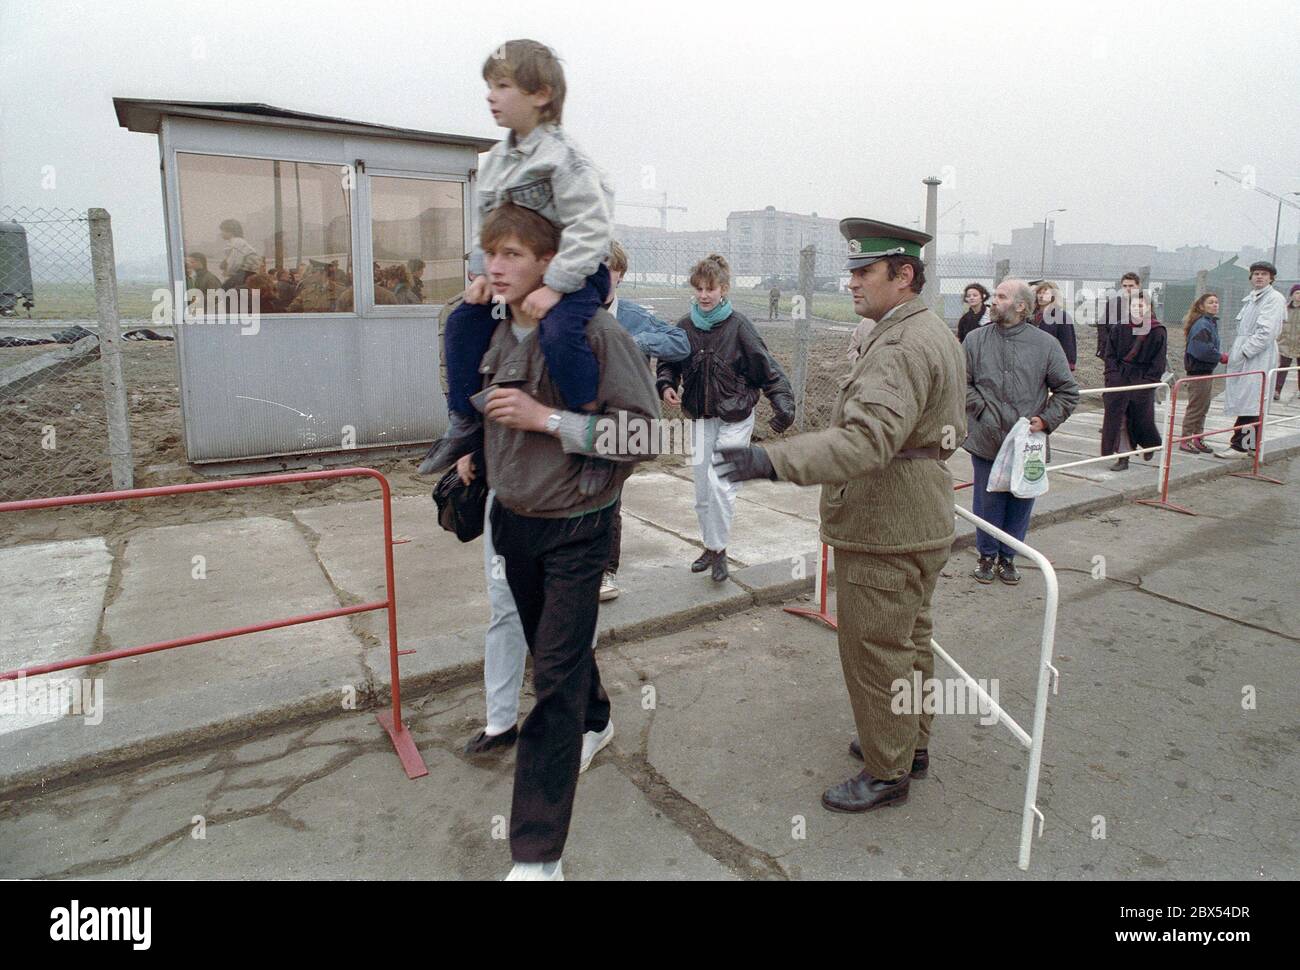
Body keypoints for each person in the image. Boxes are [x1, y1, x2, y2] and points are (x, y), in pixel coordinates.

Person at [715, 218, 966, 814]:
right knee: (911, 639)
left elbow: (864, 442)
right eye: (851, 270)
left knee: (876, 649)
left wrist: (768, 460)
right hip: (924, 514)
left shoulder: (899, 346)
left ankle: (887, 772)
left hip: (886, 522)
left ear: (903, 275)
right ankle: (910, 745)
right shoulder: (929, 331)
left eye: (864, 271)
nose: (851, 282)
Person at [468, 203, 660, 881]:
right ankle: (598, 716)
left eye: (514, 254)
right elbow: (480, 407)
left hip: (578, 527)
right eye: (491, 252)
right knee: (559, 651)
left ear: (550, 264)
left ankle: (537, 854)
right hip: (513, 523)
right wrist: (472, 454)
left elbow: (644, 437)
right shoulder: (495, 332)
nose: (496, 266)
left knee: (549, 683)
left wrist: (548, 419)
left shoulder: (597, 333)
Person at [421, 39, 615, 482]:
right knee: (461, 322)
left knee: (561, 332)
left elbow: (591, 228)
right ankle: (465, 423)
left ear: (540, 95)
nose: (491, 96)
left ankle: (587, 428)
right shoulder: (496, 163)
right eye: (489, 86)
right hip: (520, 271)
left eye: (503, 85)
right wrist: (482, 274)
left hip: (576, 272)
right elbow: (484, 224)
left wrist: (557, 285)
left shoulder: (564, 159)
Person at [655, 254, 795, 583]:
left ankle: (720, 551)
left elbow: (767, 368)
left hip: (736, 416)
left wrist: (783, 405)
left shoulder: (739, 326)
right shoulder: (685, 326)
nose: (704, 295)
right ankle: (710, 546)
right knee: (703, 489)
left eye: (711, 289)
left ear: (724, 289)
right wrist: (666, 384)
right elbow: (669, 361)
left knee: (721, 484)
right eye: (699, 289)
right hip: (702, 416)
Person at [963, 279, 1079, 583]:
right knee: (987, 501)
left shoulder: (1046, 345)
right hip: (986, 438)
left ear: (1021, 306)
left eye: (1001, 296)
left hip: (1028, 443)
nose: (993, 301)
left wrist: (1045, 420)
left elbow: (1068, 391)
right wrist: (983, 410)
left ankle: (1008, 557)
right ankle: (986, 556)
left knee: (1021, 499)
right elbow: (960, 383)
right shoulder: (975, 340)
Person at [599, 240, 691, 601]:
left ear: (620, 275)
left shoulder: (634, 316)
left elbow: (680, 343)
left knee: (610, 497)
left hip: (622, 423)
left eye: (607, 269)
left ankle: (605, 571)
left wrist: (635, 340)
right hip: (580, 419)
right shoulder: (570, 312)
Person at [1223, 261, 1286, 454]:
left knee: (1253, 400)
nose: (1259, 277)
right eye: (1256, 273)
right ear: (1251, 277)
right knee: (1245, 399)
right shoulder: (1251, 298)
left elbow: (1266, 332)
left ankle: (1242, 445)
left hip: (1258, 355)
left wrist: (1245, 351)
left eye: (1264, 274)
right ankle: (1246, 444)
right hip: (1246, 354)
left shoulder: (1274, 298)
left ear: (1271, 278)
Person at [1107, 293, 1167, 471]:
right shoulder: (1119, 328)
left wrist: (1148, 382)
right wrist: (1113, 375)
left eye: (1141, 305)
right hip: (1121, 377)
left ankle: (1150, 443)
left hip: (1143, 379)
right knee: (1121, 419)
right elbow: (1110, 355)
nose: (1137, 309)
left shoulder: (1157, 330)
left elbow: (1159, 361)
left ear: (1149, 307)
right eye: (1134, 305)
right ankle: (1123, 456)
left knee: (1143, 419)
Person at [1098, 272, 1144, 463]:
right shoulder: (1114, 305)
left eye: (1131, 285)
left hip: (1136, 369)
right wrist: (1106, 357)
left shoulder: (1144, 307)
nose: (1128, 289)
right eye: (1125, 285)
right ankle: (1117, 451)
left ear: (1138, 286)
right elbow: (1103, 328)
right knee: (1115, 410)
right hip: (1115, 366)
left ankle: (1128, 451)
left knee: (1131, 413)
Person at [1179, 292, 1228, 454]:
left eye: (1216, 302)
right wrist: (1220, 356)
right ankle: (1185, 439)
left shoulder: (1209, 323)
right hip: (1198, 372)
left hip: (1206, 371)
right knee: (1196, 408)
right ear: (1201, 306)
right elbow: (1200, 350)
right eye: (1211, 302)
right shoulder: (1202, 325)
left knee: (1203, 407)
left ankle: (1198, 438)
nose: (1215, 305)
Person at [1031, 280, 1077, 370]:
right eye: (1039, 293)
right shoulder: (1030, 315)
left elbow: (1067, 342)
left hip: (1052, 363)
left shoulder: (1061, 316)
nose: (1041, 296)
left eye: (1045, 293)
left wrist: (1068, 365)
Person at [216, 219, 260, 289]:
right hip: (245, 273)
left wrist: (228, 272)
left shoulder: (237, 242)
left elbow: (236, 262)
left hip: (246, 273)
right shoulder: (237, 242)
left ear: (231, 232)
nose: (221, 233)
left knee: (224, 289)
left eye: (223, 231)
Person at [1275, 284, 1300, 401]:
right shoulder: (1284, 309)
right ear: (1292, 295)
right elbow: (1278, 324)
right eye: (1297, 293)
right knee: (1282, 368)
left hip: (1298, 344)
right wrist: (1279, 339)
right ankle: (1277, 390)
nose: (1299, 295)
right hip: (1285, 343)